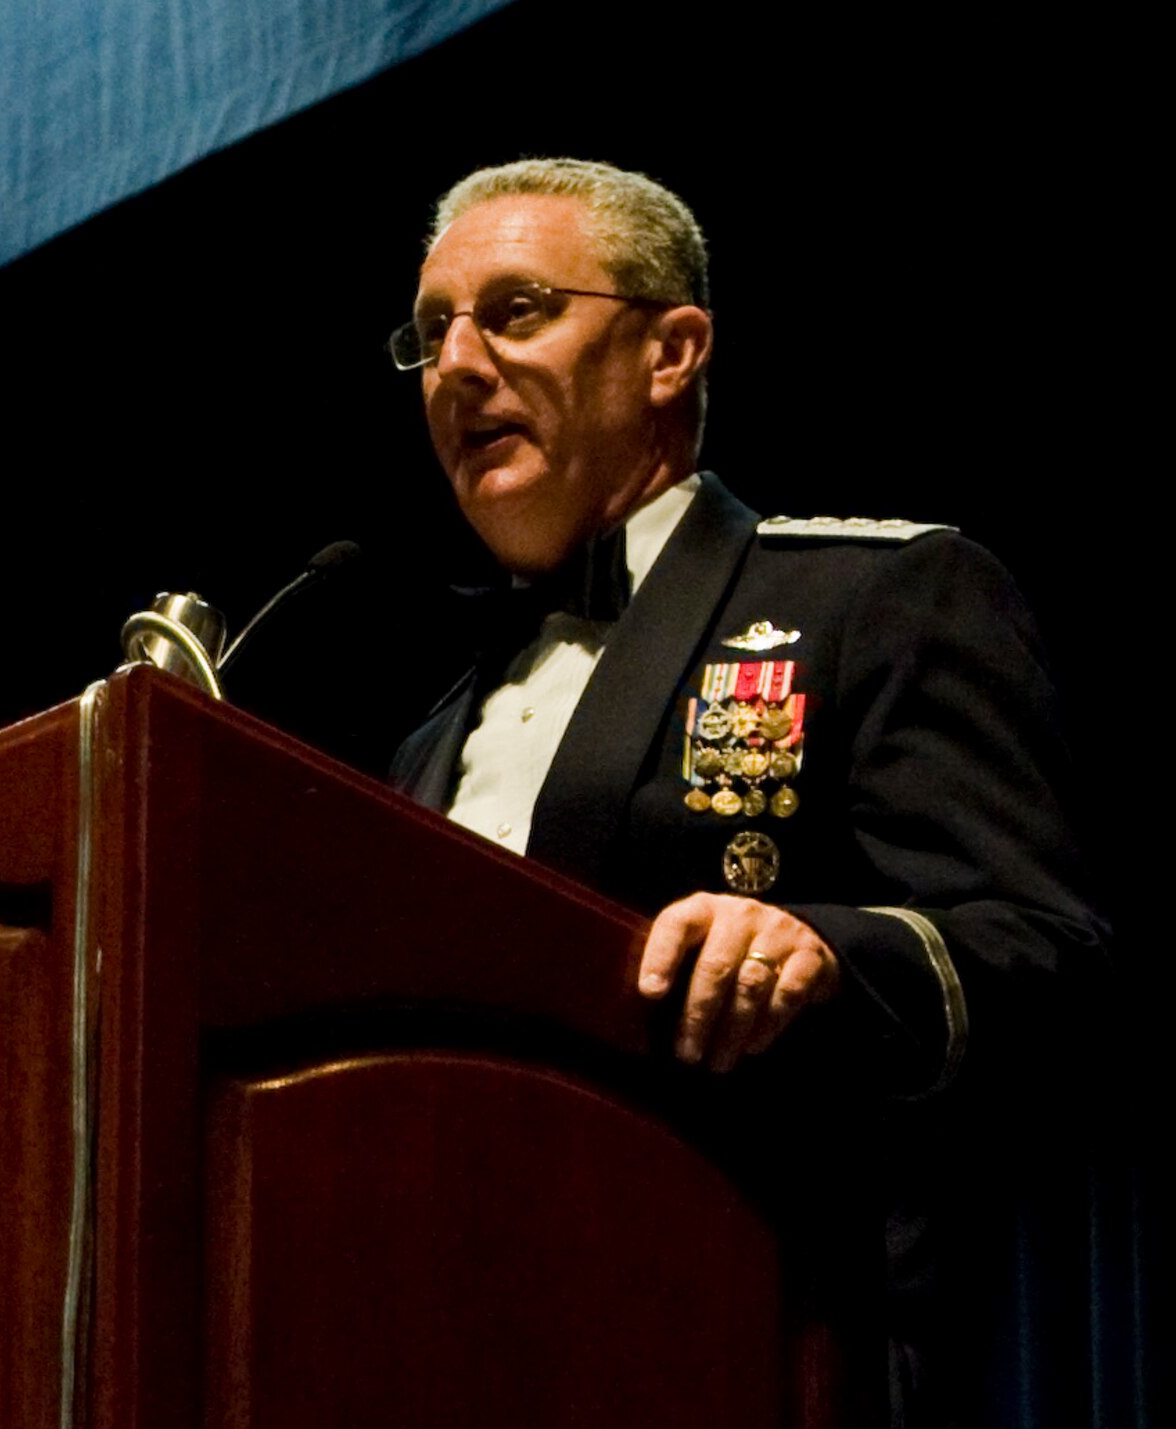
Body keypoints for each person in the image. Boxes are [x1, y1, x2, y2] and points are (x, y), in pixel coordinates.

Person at [382, 158, 1109, 1425]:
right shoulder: (421, 740)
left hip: (766, 1344)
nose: (455, 364)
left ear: (670, 352)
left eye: (513, 311)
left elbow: (1046, 961)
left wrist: (823, 953)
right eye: (430, 331)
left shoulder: (875, 596)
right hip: (464, 1349)